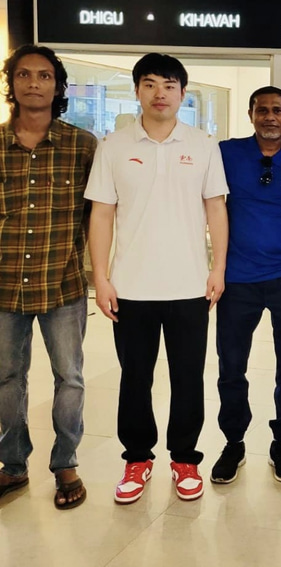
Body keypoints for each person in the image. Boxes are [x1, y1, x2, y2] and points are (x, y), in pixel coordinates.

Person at [86, 53, 229, 504]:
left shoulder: (203, 145)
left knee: (188, 377)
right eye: (149, 84)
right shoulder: (113, 146)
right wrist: (101, 277)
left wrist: (218, 268)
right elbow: (101, 214)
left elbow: (216, 209)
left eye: (169, 85)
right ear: (137, 91)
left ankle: (185, 458)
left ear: (183, 93)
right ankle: (137, 458)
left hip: (189, 286)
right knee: (135, 378)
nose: (160, 93)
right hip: (131, 288)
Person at [209, 87, 281, 485]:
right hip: (237, 280)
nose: (270, 117)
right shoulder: (226, 154)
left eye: (277, 110)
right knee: (231, 367)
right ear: (251, 114)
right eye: (262, 110)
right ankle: (233, 442)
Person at [0, 45, 97, 510]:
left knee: (69, 377)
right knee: (6, 378)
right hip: (3, 284)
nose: (33, 83)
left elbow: (97, 217)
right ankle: (13, 463)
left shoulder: (82, 146)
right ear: (12, 84)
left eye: (43, 75)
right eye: (23, 75)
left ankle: (66, 462)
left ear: (57, 86)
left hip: (63, 284)